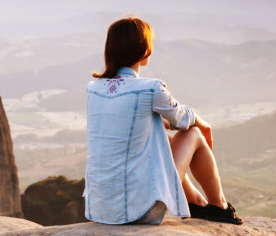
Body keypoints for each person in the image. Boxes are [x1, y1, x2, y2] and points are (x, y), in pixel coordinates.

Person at [83, 16, 242, 225]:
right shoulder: (151, 88)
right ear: (144, 49)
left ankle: (195, 202)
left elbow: (144, 121)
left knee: (162, 136)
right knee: (193, 134)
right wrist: (204, 125)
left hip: (101, 210)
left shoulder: (94, 89)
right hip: (140, 211)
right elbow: (184, 119)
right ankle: (219, 206)